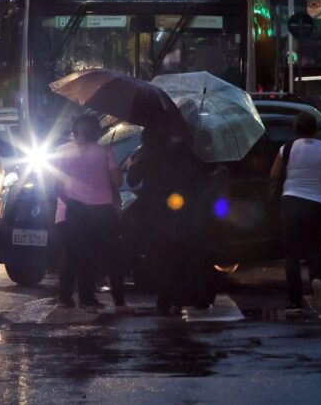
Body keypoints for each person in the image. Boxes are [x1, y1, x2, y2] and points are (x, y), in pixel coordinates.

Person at [127, 127, 218, 314]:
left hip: (159, 213)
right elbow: (201, 178)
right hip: (187, 211)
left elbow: (133, 180)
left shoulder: (149, 154)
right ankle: (195, 297)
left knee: (164, 258)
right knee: (189, 255)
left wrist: (133, 165)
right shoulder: (188, 152)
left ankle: (166, 300)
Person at [53, 113, 130, 313]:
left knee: (73, 254)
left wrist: (69, 202)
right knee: (101, 256)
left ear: (75, 130)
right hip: (100, 211)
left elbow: (55, 184)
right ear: (95, 130)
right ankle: (90, 298)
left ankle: (68, 297)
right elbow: (118, 181)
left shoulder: (62, 151)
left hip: (71, 210)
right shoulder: (104, 151)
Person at [270, 112, 321, 312]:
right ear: (316, 129)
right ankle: (317, 277)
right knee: (314, 246)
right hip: (318, 202)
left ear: (296, 129)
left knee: (291, 253)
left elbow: (274, 175)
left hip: (291, 200)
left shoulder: (288, 148)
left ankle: (294, 301)